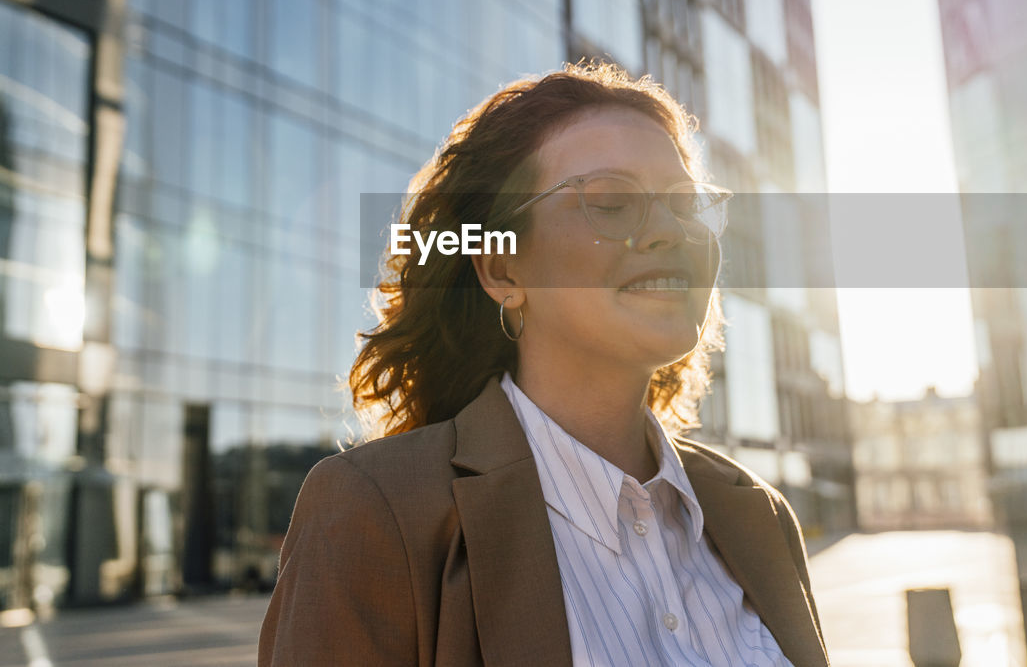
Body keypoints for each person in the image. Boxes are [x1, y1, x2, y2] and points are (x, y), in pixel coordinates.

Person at [257, 63, 829, 666]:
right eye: (611, 202)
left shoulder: (758, 516)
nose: (670, 231)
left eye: (685, 203)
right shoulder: (374, 510)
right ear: (503, 270)